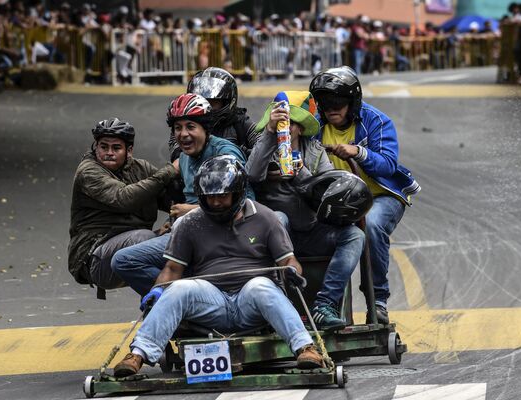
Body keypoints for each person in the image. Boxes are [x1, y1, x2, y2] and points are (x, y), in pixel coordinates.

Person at [113, 155, 323, 377]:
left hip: (251, 302)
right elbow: (172, 270)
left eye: (222, 196)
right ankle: (138, 354)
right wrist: (157, 290)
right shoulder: (190, 222)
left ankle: (305, 348)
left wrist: (293, 272)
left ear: (238, 193)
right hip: (211, 303)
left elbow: (288, 261)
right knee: (178, 288)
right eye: (209, 197)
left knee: (261, 285)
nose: (215, 203)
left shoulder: (265, 217)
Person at [246, 91, 368, 331]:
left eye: (289, 124)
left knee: (355, 235)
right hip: (274, 237)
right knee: (277, 218)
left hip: (311, 229)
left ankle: (324, 305)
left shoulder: (314, 150)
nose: (285, 129)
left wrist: (299, 173)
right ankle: (276, 305)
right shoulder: (264, 144)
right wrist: (270, 135)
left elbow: (327, 192)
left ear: (300, 128)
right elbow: (251, 174)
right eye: (280, 123)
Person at [111, 93, 254, 296]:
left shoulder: (225, 154)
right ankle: (184, 301)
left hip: (223, 234)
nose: (183, 134)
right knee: (123, 260)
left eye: (190, 127)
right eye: (178, 128)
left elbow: (247, 204)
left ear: (206, 128)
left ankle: (185, 298)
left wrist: (192, 210)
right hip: (189, 231)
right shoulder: (185, 156)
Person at [309, 66, 421, 324]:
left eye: (338, 102)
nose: (331, 108)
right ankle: (324, 307)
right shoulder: (314, 124)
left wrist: (359, 152)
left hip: (380, 196)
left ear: (352, 101)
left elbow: (388, 165)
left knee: (370, 226)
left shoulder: (377, 121)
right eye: (325, 102)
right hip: (334, 201)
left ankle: (378, 300)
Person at [67, 117, 179, 299]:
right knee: (145, 238)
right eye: (104, 147)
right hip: (94, 256)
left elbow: (172, 200)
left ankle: (164, 304)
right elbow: (124, 198)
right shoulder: (88, 171)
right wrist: (169, 170)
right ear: (96, 147)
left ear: (129, 150)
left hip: (132, 246)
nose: (109, 153)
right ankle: (175, 298)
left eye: (116, 148)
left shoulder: (141, 168)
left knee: (181, 236)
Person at [168, 67, 259, 161]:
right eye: (201, 102)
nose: (205, 107)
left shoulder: (240, 121)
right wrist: (179, 160)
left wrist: (242, 152)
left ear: (227, 102)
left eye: (211, 102)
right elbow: (176, 153)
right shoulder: (183, 122)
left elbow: (262, 143)